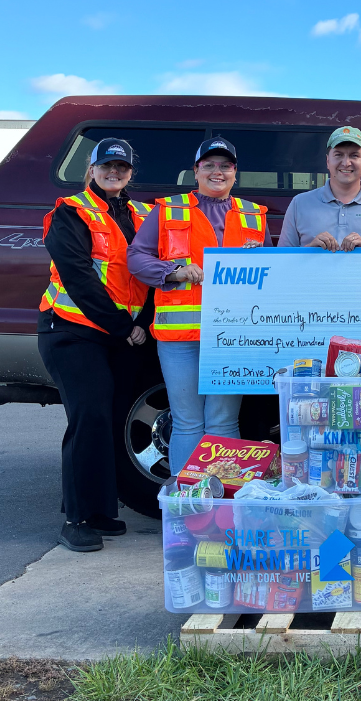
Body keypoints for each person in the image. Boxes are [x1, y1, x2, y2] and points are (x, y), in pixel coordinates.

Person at [127, 137, 270, 474]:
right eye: (209, 165)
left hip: (232, 339)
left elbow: (270, 273)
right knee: (188, 422)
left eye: (225, 166)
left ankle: (219, 509)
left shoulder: (254, 215)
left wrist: (260, 260)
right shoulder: (167, 209)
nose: (217, 171)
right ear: (196, 170)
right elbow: (135, 257)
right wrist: (173, 272)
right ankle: (185, 511)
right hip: (181, 338)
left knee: (222, 423)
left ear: (236, 173)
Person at [37, 138, 153, 552]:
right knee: (87, 416)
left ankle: (103, 512)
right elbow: (78, 277)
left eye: (121, 167)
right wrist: (124, 326)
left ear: (130, 173)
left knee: (110, 417)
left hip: (120, 333)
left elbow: (150, 272)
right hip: (71, 331)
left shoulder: (143, 214)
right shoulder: (71, 211)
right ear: (91, 169)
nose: (114, 173)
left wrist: (142, 322)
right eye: (106, 166)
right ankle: (76, 518)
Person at [277, 126, 361, 249]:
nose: (346, 163)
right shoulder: (299, 203)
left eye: (354, 155)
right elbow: (281, 261)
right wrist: (310, 249)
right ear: (327, 161)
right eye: (338, 155)